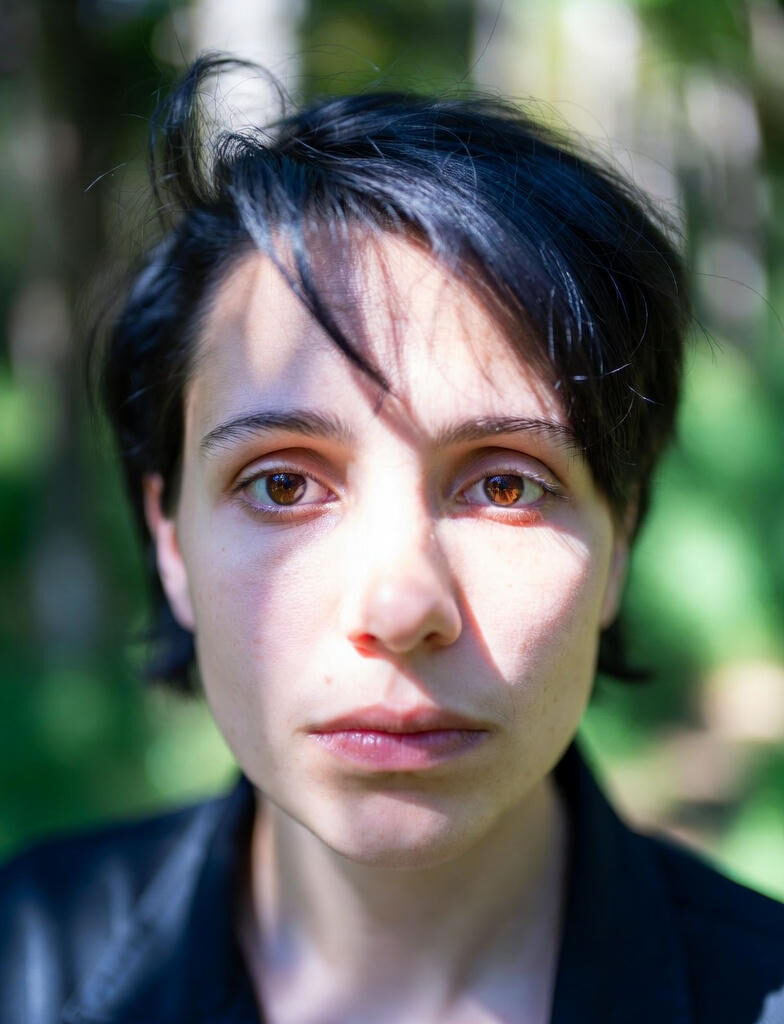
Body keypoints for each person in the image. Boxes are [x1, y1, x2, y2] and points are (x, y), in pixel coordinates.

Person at [1, 54, 783, 1024]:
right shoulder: (25, 959)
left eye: (504, 482)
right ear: (170, 539)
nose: (399, 606)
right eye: (282, 483)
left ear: (617, 542)